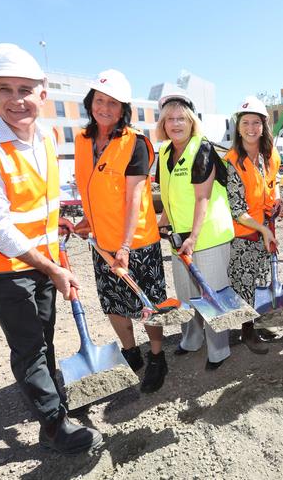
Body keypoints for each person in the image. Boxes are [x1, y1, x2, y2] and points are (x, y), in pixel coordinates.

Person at [0, 43, 102, 454]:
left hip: (40, 258)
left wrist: (57, 224)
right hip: (1, 266)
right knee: (29, 344)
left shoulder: (43, 139)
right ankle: (53, 425)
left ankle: (53, 399)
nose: (17, 99)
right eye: (5, 89)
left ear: (42, 94)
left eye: (25, 89)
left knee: (44, 334)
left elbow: (36, 201)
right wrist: (52, 268)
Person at [73, 69, 168, 393]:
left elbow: (134, 198)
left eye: (113, 103)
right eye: (100, 101)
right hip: (101, 244)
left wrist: (125, 247)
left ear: (123, 108)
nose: (105, 108)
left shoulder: (135, 143)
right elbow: (91, 188)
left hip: (137, 244)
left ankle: (157, 355)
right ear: (91, 102)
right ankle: (131, 351)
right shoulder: (82, 140)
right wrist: (89, 220)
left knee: (149, 304)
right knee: (113, 304)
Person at [155, 92, 235, 370]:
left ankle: (219, 349)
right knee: (186, 292)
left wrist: (193, 238)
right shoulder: (165, 151)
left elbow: (202, 198)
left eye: (181, 119)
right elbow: (167, 192)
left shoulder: (202, 149)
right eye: (169, 119)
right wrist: (164, 218)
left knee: (211, 294)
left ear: (191, 122)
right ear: (163, 124)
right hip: (180, 235)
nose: (175, 124)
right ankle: (191, 339)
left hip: (207, 234)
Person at [224, 96, 281, 354]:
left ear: (263, 125)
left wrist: (277, 199)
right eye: (245, 122)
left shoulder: (270, 155)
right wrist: (264, 230)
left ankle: (259, 320)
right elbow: (236, 210)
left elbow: (274, 181)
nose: (250, 128)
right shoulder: (233, 161)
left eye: (256, 122)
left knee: (261, 280)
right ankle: (247, 332)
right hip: (245, 234)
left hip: (264, 229)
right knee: (244, 284)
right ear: (238, 127)